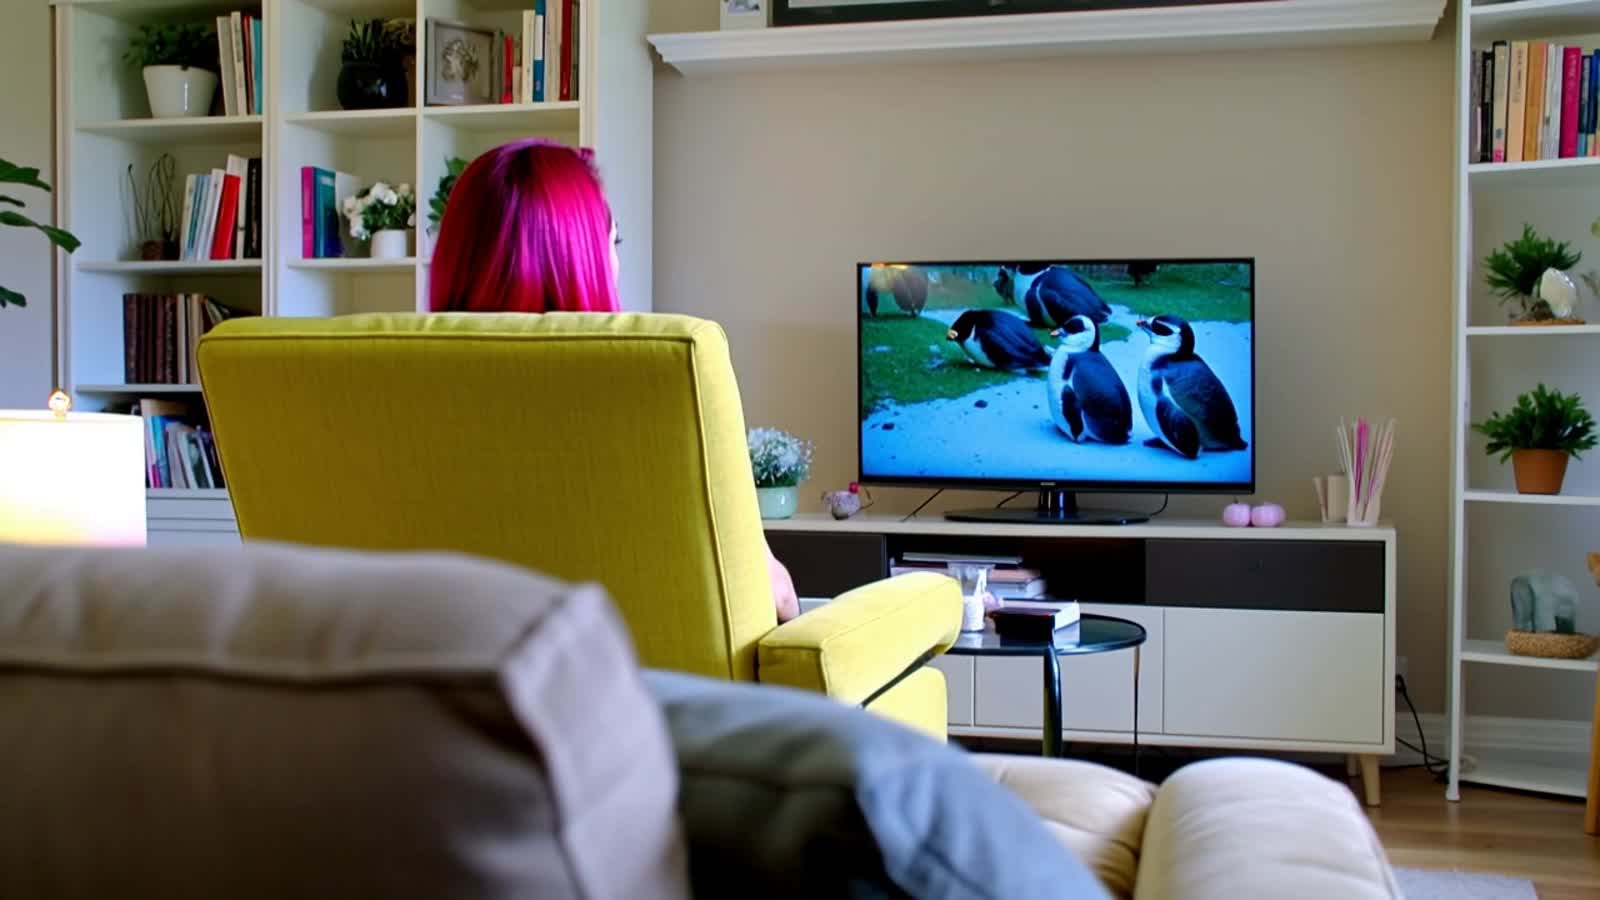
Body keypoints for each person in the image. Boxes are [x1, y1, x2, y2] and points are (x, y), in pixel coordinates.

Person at [430, 138, 802, 622]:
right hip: (651, 693)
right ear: (582, 257)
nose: (617, 260)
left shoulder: (372, 392)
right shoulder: (668, 384)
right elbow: (775, 600)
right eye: (613, 241)